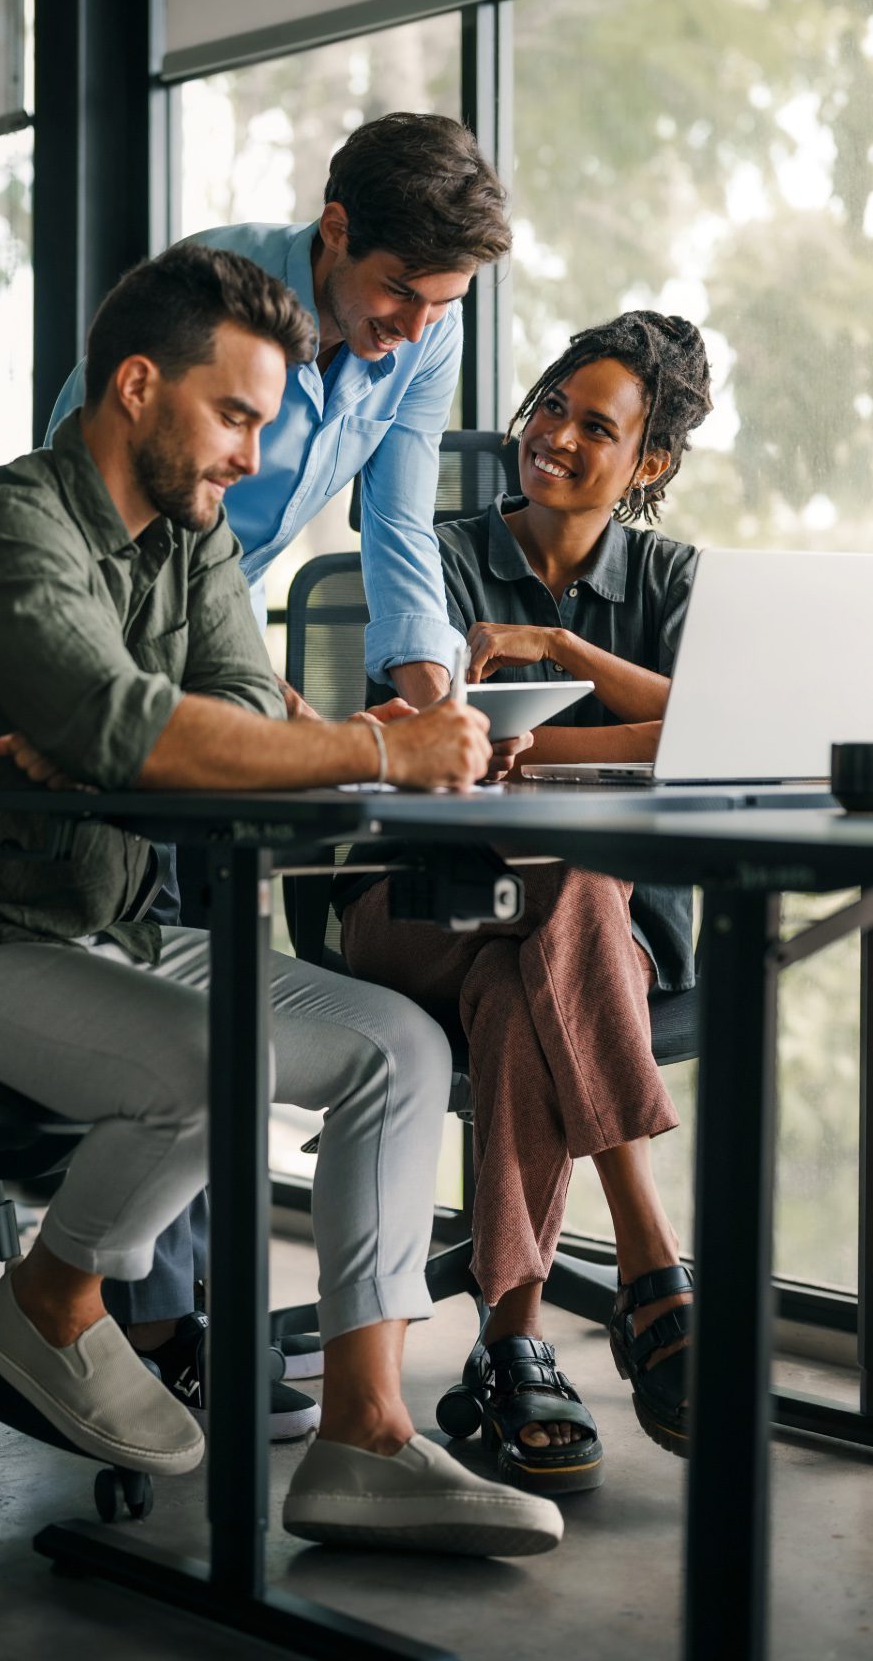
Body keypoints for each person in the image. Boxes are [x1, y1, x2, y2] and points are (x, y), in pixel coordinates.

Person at [0, 244, 561, 1559]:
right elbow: (132, 727)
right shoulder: (8, 526)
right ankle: (51, 1297)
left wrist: (151, 727)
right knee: (224, 1064)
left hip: (108, 920)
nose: (255, 457)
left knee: (402, 1047)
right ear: (138, 386)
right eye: (234, 417)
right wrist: (362, 746)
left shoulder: (196, 536)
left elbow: (220, 705)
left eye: (268, 424)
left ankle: (364, 1438)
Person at [44, 111, 512, 1428]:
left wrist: (431, 688)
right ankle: (156, 1324)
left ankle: (181, 1320)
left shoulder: (429, 333)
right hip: (116, 626)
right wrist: (234, 690)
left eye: (443, 303)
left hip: (222, 623)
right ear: (336, 232)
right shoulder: (205, 303)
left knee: (221, 976)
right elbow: (91, 501)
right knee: (169, 991)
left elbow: (399, 519)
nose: (415, 325)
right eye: (397, 293)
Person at [336, 312, 714, 1493]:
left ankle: (513, 1343)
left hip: (597, 942)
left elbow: (710, 720)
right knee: (564, 881)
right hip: (417, 908)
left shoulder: (668, 576)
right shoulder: (434, 552)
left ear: (648, 464)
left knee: (527, 979)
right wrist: (612, 740)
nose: (550, 436)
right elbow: (435, 738)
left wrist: (562, 652)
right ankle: (651, 1254)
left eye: (593, 428)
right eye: (549, 404)